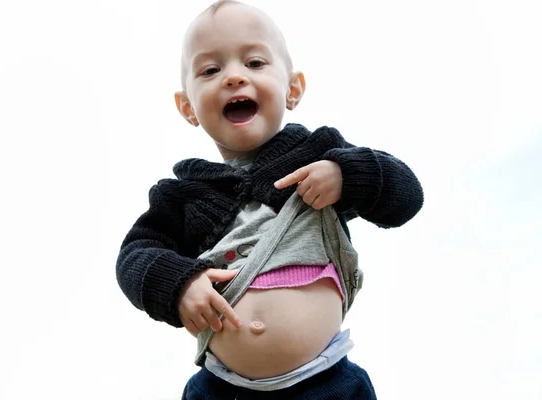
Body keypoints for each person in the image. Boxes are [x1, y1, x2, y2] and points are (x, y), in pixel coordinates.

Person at [116, 1, 424, 398]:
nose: (233, 78)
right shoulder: (184, 195)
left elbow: (407, 196)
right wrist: (180, 285)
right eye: (210, 70)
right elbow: (134, 255)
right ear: (188, 107)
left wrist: (348, 175)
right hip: (221, 387)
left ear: (292, 89)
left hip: (327, 383)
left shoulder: (319, 156)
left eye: (255, 63)